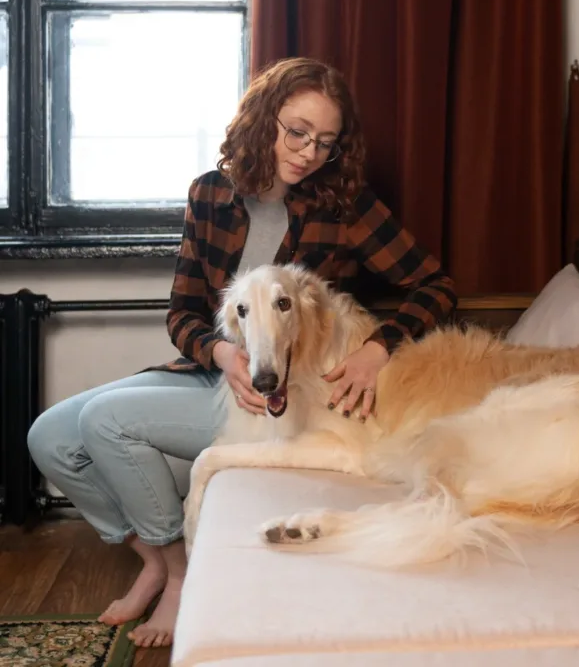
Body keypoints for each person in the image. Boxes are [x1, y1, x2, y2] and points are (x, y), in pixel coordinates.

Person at [27, 57, 457, 648]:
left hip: (279, 391)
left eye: (326, 143)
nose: (308, 152)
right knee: (49, 437)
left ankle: (179, 578)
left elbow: (435, 285)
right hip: (219, 372)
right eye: (297, 132)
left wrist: (378, 350)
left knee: (104, 421)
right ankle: (154, 558)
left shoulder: (345, 206)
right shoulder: (209, 194)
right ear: (265, 117)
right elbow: (181, 314)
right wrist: (220, 356)